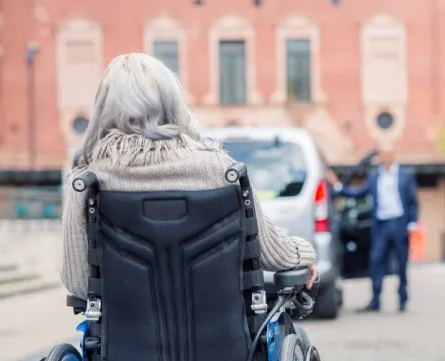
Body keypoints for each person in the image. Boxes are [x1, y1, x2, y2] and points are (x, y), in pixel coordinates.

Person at [61, 53, 317, 300]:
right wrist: (305, 254)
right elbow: (275, 255)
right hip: (220, 338)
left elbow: (79, 283)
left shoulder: (87, 183)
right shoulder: (219, 169)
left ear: (103, 111)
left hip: (125, 340)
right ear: (172, 104)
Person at [330, 148, 418, 312]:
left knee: (401, 263)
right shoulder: (374, 176)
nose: (383, 159)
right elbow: (358, 193)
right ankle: (375, 300)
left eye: (387, 156)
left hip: (399, 223)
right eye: (381, 157)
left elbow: (413, 201)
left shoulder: (406, 174)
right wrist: (338, 187)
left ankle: (402, 299)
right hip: (381, 225)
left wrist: (412, 223)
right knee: (376, 260)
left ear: (393, 157)